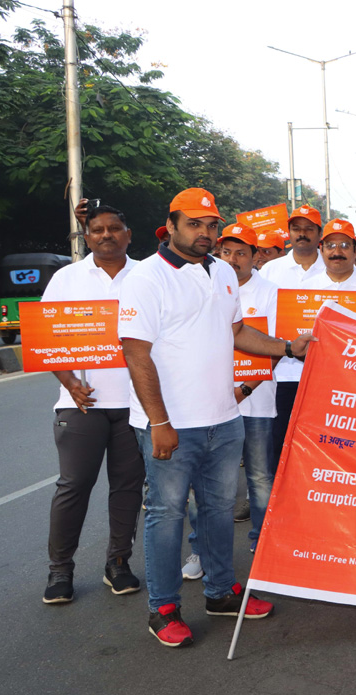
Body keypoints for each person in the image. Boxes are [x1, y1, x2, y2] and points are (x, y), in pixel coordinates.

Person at [119, 188, 313, 648]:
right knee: (165, 516)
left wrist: (288, 348)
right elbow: (135, 353)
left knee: (220, 511)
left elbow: (238, 332)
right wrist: (159, 422)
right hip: (171, 424)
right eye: (194, 224)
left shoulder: (223, 271)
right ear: (171, 225)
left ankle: (220, 591)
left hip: (225, 418)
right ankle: (163, 608)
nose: (204, 233)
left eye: (211, 225)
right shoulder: (146, 278)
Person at [39, 203, 146, 605]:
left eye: (114, 228)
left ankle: (117, 563)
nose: (106, 235)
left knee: (127, 488)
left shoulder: (147, 276)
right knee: (73, 487)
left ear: (128, 234)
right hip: (80, 405)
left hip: (136, 405)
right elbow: (46, 338)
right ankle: (59, 571)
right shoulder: (67, 279)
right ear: (87, 237)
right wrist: (69, 381)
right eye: (97, 229)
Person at [220, 228, 278, 553]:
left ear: (256, 256)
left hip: (255, 403)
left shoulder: (272, 292)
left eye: (241, 253)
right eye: (227, 251)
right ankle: (204, 550)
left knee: (259, 479)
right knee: (212, 484)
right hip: (212, 404)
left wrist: (245, 388)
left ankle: (263, 546)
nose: (233, 259)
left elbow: (275, 346)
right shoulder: (206, 288)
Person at [259, 205, 326, 465]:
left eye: (309, 229)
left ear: (319, 234)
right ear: (288, 233)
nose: (302, 234)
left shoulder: (335, 269)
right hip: (281, 373)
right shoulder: (271, 271)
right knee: (279, 445)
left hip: (322, 375)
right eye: (297, 229)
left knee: (317, 447)